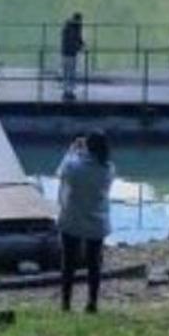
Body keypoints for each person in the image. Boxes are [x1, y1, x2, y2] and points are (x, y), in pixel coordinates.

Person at [56, 130, 113, 314]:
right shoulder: (108, 169)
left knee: (68, 263)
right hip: (97, 221)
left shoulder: (73, 165)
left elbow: (61, 172)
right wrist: (82, 151)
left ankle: (66, 303)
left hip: (72, 219)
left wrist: (73, 149)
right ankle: (92, 303)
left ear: (88, 146)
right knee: (94, 264)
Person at [60, 10, 85, 98]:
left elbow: (78, 39)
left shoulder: (70, 26)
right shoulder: (72, 28)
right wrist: (79, 47)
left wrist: (81, 44)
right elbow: (74, 40)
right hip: (69, 52)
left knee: (68, 70)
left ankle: (68, 89)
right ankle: (68, 90)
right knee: (70, 71)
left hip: (67, 52)